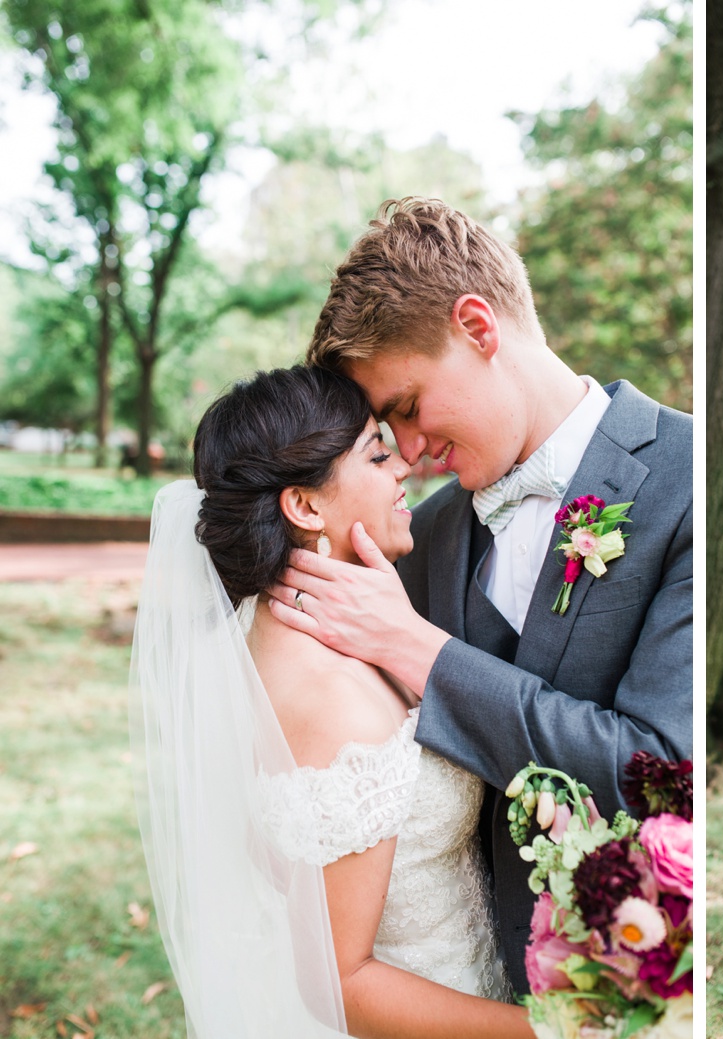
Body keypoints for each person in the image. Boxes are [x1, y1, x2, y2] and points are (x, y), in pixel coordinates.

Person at [267, 198, 693, 992]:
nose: (413, 451)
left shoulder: (687, 478)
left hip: (637, 977)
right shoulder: (417, 536)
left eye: (408, 408)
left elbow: (664, 770)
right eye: (388, 434)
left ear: (478, 326)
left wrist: (415, 648)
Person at [131, 366, 532, 1039]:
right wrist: (549, 1030)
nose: (405, 464)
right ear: (306, 507)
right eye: (377, 454)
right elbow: (339, 983)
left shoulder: (278, 623)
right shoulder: (332, 701)